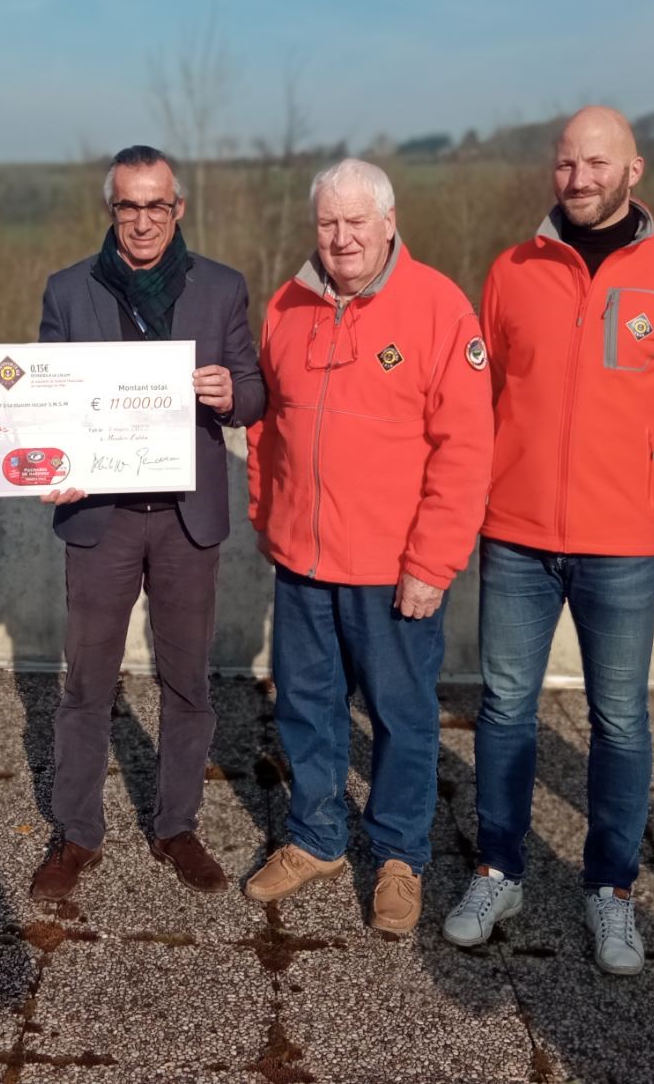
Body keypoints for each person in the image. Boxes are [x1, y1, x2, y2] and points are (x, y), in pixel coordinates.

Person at [441, 107, 654, 973]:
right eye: (566, 163)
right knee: (504, 710)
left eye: (597, 162)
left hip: (621, 542)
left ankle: (611, 890)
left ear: (634, 169)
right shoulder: (512, 270)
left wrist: (635, 473)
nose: (579, 178)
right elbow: (485, 395)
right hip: (517, 537)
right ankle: (499, 870)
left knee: (621, 721)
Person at [243, 157, 492, 935]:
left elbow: (466, 448)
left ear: (388, 222)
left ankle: (398, 856)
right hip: (303, 561)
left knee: (402, 718)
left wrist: (432, 562)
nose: (342, 237)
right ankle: (317, 838)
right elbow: (265, 425)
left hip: (393, 571)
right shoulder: (287, 303)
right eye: (328, 223)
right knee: (308, 712)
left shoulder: (439, 308)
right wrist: (268, 515)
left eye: (357, 222)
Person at [28, 146, 265, 902]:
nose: (142, 221)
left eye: (156, 205)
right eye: (128, 206)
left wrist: (232, 394)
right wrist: (45, 460)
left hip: (186, 519)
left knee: (187, 681)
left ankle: (175, 825)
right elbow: (43, 397)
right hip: (101, 517)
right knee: (87, 684)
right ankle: (77, 835)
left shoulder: (223, 287)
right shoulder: (69, 290)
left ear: (178, 209)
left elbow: (258, 393)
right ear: (112, 211)